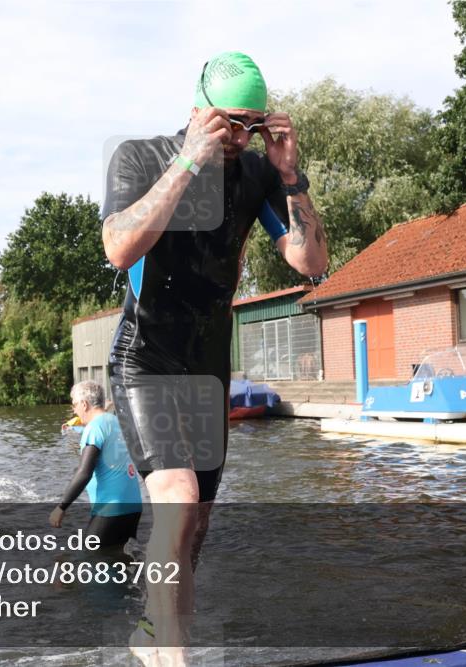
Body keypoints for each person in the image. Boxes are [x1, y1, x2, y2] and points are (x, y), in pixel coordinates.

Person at [101, 52, 328, 664]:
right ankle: (172, 655)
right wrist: (187, 163)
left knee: (192, 529)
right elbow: (121, 249)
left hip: (206, 366)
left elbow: (311, 265)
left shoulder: (255, 174)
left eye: (253, 126)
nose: (239, 137)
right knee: (173, 499)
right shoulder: (141, 157)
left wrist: (289, 175)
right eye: (230, 122)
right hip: (145, 358)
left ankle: (156, 637)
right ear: (199, 108)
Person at [49, 381, 142, 549]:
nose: (74, 410)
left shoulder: (94, 428)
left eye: (75, 405)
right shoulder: (116, 421)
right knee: (121, 560)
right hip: (133, 506)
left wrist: (61, 507)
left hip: (110, 508)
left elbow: (84, 472)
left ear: (84, 404)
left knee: (92, 560)